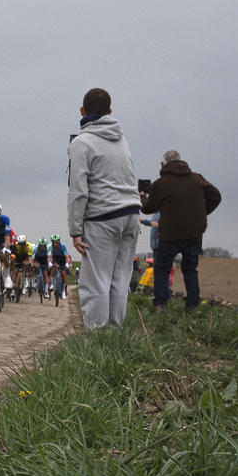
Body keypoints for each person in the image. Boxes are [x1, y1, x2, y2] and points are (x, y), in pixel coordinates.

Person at [66, 88, 141, 329]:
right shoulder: (122, 139)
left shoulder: (82, 143)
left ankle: (97, 340)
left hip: (103, 217)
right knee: (119, 279)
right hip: (131, 215)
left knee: (96, 282)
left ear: (82, 111)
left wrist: (75, 230)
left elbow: (79, 190)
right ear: (109, 112)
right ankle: (115, 335)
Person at [140, 150, 222, 313]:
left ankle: (160, 304)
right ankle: (192, 304)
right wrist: (201, 212)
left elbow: (148, 208)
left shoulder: (161, 183)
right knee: (190, 268)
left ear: (163, 164)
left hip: (169, 234)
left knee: (162, 269)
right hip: (193, 232)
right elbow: (216, 196)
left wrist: (142, 197)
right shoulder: (197, 179)